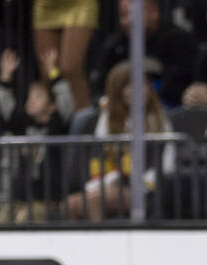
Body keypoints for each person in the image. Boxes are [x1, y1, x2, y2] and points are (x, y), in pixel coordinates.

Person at [67, 61, 176, 221]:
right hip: (111, 182)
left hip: (146, 187)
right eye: (130, 86)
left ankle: (101, 243)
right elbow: (101, 155)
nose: (138, 91)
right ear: (118, 91)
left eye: (143, 85)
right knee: (70, 204)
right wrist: (107, 181)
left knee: (94, 200)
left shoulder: (158, 119)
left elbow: (165, 164)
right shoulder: (106, 119)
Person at [0, 47, 75, 221]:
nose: (31, 100)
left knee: (25, 218)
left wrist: (54, 73)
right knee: (3, 218)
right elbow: (6, 107)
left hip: (48, 199)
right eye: (30, 97)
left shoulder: (57, 125)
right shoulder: (23, 124)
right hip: (23, 198)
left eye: (38, 96)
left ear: (52, 106)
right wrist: (5, 77)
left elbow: (67, 102)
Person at [95, 0, 199, 108]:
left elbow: (178, 87)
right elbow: (101, 86)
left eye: (134, 13)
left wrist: (146, 97)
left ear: (154, 12)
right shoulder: (115, 46)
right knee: (85, 117)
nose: (129, 20)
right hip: (121, 107)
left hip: (167, 107)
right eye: (123, 15)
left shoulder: (178, 40)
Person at [30, 0, 98, 108]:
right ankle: (54, 121)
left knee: (70, 68)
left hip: (78, 4)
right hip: (45, 5)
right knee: (47, 71)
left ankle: (83, 120)